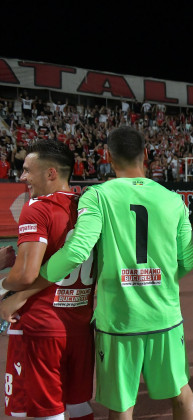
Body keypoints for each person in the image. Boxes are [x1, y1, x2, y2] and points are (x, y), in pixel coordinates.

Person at [2, 127, 193, 419]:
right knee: (181, 393)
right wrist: (156, 282)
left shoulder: (97, 195)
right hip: (165, 316)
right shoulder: (173, 200)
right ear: (146, 155)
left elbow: (77, 251)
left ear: (108, 157)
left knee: (122, 405)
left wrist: (25, 292)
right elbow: (187, 260)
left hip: (119, 320)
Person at [0, 140, 95, 420]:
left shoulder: (37, 208)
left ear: (51, 173)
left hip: (41, 325)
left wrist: (4, 285)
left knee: (43, 410)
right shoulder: (86, 208)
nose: (22, 177)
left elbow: (26, 275)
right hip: (79, 323)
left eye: (28, 170)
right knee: (78, 405)